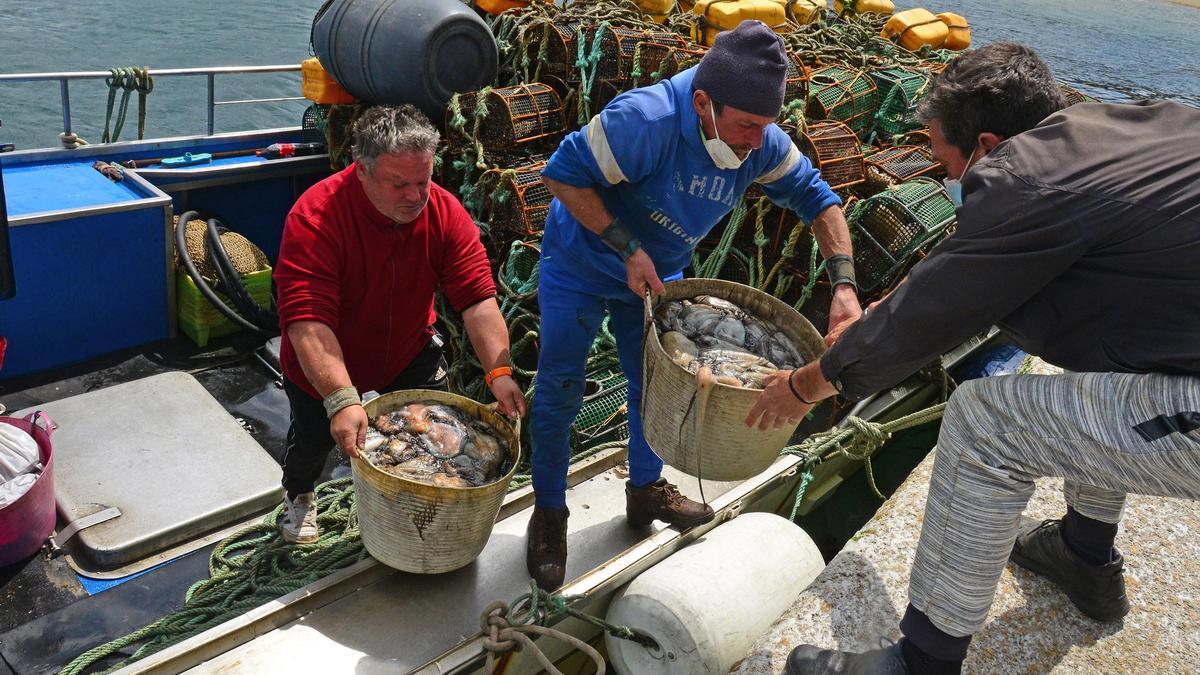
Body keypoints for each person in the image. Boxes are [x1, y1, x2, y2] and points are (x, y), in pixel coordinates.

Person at [746, 42, 1200, 673]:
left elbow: (937, 310)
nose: (944, 175)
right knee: (1103, 347)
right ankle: (1083, 554)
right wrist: (891, 305)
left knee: (984, 423)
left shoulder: (1024, 177)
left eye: (943, 156)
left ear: (988, 144)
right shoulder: (1122, 131)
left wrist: (806, 385)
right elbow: (973, 260)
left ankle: (924, 661)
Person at [527, 21, 863, 591]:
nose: (758, 141)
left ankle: (644, 491)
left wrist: (845, 285)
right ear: (703, 103)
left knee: (660, 386)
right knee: (560, 386)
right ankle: (551, 512)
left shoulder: (762, 143)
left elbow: (820, 202)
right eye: (747, 126)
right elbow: (561, 176)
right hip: (581, 263)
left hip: (662, 277)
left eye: (767, 127)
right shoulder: (645, 121)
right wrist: (626, 248)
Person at [273, 105, 526, 544]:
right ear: (362, 171)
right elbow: (307, 321)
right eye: (399, 183)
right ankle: (298, 495)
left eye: (424, 181)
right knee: (312, 440)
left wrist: (500, 373)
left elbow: (477, 299)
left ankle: (422, 502)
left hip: (409, 347)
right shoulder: (316, 217)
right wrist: (340, 399)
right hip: (326, 359)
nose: (415, 196)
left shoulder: (444, 213)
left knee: (436, 434)